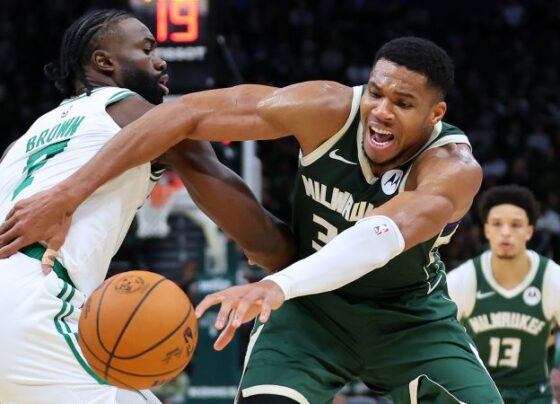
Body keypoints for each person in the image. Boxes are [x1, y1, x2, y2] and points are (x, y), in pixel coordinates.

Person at [0, 37, 504, 403]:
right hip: (310, 313)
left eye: (403, 103)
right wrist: (70, 191)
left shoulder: (453, 169)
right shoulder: (327, 108)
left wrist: (278, 283)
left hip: (408, 319)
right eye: (375, 93)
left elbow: (379, 235)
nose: (380, 111)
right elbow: (185, 115)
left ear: (435, 114)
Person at [0, 9, 295, 404]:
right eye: (146, 48)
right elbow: (261, 241)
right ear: (104, 62)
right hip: (33, 307)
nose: (161, 60)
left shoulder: (23, 140)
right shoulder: (137, 114)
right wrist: (309, 263)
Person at [447, 185, 560, 404]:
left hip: (535, 396)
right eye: (497, 224)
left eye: (515, 225)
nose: (505, 232)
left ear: (529, 230)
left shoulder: (551, 278)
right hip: (476, 395)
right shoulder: (463, 279)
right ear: (487, 230)